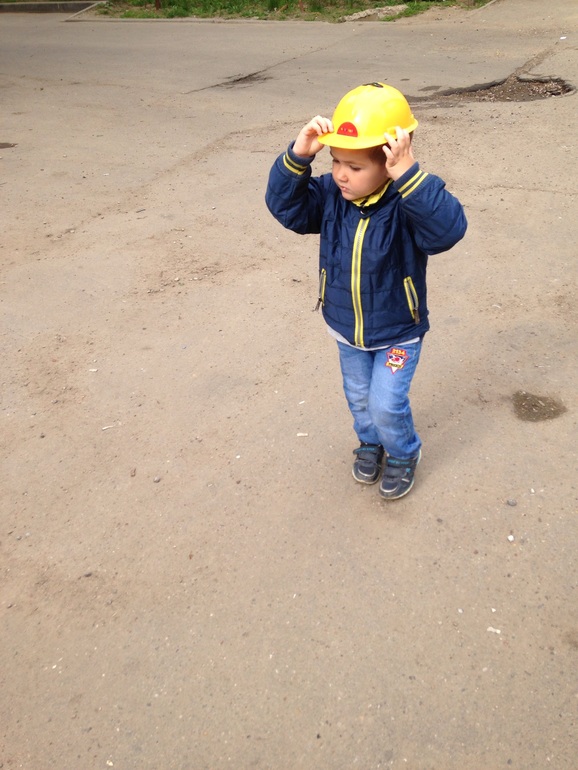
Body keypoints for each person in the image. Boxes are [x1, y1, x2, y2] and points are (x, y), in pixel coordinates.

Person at [265, 82, 467, 499]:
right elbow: (287, 208)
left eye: (355, 167)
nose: (341, 174)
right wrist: (299, 156)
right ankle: (371, 442)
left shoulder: (409, 201)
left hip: (397, 331)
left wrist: (409, 176)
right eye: (337, 161)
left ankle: (404, 452)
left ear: (389, 161)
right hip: (346, 328)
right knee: (359, 399)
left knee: (386, 403)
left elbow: (447, 231)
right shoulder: (329, 195)